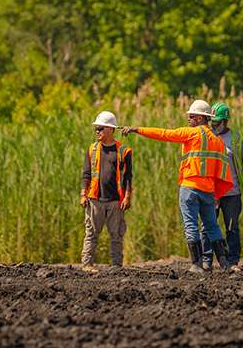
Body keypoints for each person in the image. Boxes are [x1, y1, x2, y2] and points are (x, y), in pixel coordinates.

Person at [121, 99, 232, 273]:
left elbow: (164, 134)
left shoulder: (190, 134)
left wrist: (137, 129)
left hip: (189, 188)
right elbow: (222, 171)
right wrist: (216, 195)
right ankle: (225, 263)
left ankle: (196, 264)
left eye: (192, 116)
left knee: (191, 225)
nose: (189, 118)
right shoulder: (218, 141)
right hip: (208, 191)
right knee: (212, 226)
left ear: (202, 118)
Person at [201, 101, 243, 270]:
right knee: (206, 227)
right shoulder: (208, 137)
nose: (213, 125)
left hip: (232, 193)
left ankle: (233, 261)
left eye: (217, 122)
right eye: (212, 121)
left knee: (232, 227)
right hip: (211, 191)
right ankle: (207, 261)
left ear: (226, 121)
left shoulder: (236, 139)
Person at [80, 111, 134, 269]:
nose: (97, 131)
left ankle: (117, 266)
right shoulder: (92, 150)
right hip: (95, 200)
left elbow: (128, 176)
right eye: (96, 129)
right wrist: (83, 194)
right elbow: (86, 174)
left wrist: (127, 197)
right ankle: (87, 264)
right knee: (91, 234)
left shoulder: (123, 151)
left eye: (100, 128)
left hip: (116, 201)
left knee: (116, 235)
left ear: (110, 129)